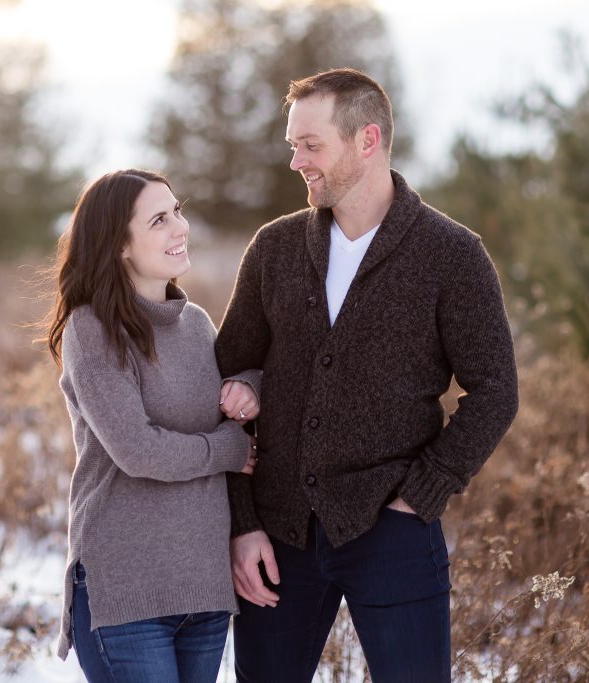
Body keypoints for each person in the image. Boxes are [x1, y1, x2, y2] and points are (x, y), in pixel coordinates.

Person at [215, 68, 520, 682]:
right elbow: (224, 387)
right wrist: (243, 525)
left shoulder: (452, 254)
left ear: (367, 139)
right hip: (279, 534)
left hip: (393, 528)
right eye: (292, 145)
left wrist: (423, 493)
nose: (297, 161)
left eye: (311, 145)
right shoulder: (273, 248)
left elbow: (495, 389)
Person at [44, 169, 262, 682]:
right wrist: (229, 451)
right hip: (128, 591)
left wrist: (251, 384)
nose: (179, 227)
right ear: (119, 244)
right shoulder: (92, 328)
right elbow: (139, 451)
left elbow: (240, 386)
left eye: (178, 212)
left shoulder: (197, 324)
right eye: (159, 220)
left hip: (204, 587)